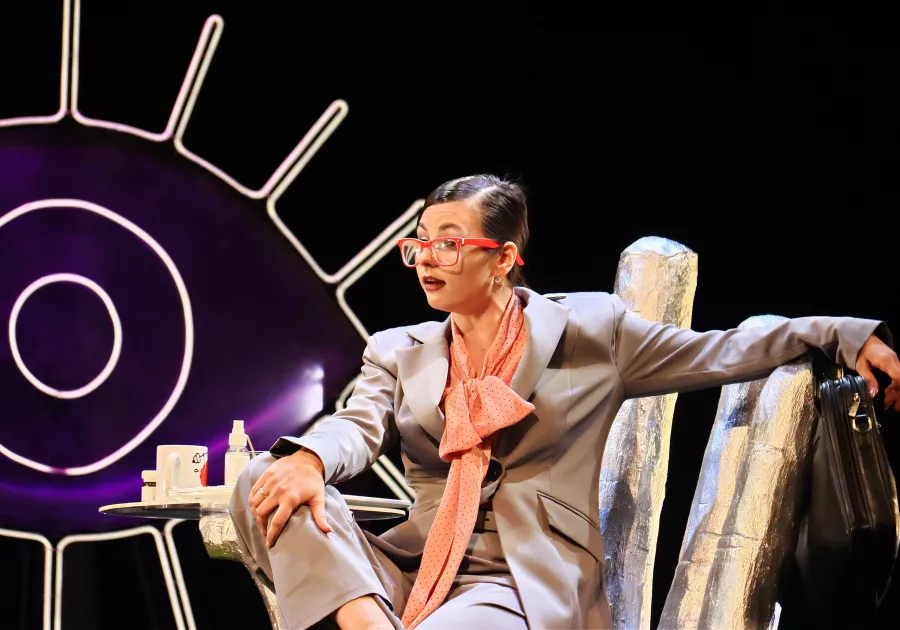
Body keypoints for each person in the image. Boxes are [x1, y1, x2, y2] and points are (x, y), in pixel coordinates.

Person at [229, 174, 900, 630]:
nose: (426, 258)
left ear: (503, 259)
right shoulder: (398, 349)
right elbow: (354, 427)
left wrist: (843, 333)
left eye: (449, 243)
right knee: (265, 477)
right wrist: (311, 459)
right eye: (420, 243)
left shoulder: (592, 332)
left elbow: (720, 351)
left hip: (524, 580)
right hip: (413, 566)